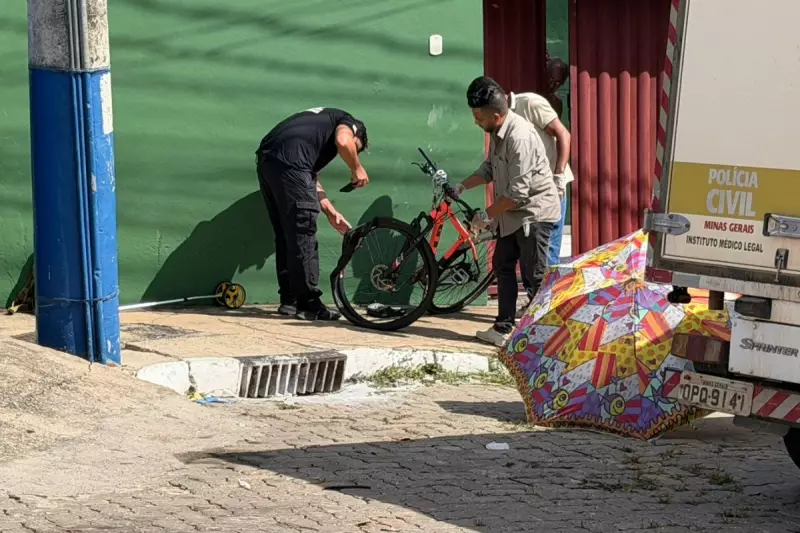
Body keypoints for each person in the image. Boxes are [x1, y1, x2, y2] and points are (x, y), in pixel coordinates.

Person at [453, 77, 561, 346]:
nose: (476, 122)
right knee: (502, 265)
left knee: (535, 275)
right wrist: (462, 186)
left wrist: (486, 216)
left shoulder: (519, 136)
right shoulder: (497, 133)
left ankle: (545, 339)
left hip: (533, 214)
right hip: (512, 214)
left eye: (478, 118)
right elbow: (489, 169)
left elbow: (518, 193)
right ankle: (503, 329)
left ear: (496, 115)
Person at [255, 107, 370, 321]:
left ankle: (290, 300)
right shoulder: (346, 121)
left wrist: (330, 211)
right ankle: (309, 305)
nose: (352, 151)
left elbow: (309, 178)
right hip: (292, 165)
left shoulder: (316, 128)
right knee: (303, 233)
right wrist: (357, 168)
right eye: (357, 147)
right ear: (357, 134)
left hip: (268, 162)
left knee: (287, 234)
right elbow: (343, 141)